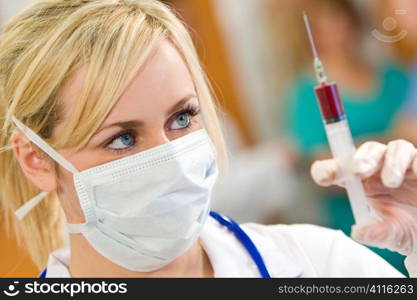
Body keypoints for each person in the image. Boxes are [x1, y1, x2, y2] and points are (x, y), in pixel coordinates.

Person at [0, 0, 416, 278]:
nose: (174, 161)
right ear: (36, 159)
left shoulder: (319, 263)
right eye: (123, 138)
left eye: (182, 117)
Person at [282, 0, 409, 274]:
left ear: (353, 19)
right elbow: (323, 173)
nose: (335, 29)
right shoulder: (306, 95)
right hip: (360, 229)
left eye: (338, 17)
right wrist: (393, 139)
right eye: (322, 24)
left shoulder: (396, 77)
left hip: (410, 214)